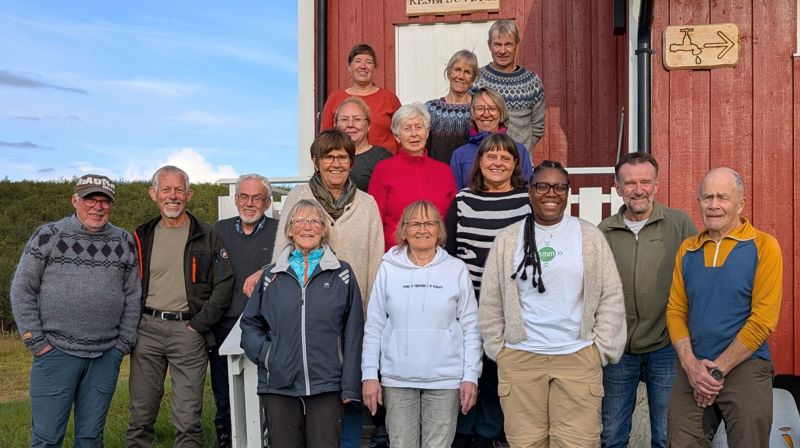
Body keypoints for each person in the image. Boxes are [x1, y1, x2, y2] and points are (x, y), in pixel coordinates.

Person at [243, 129, 383, 447]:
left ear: (351, 161)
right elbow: (281, 255)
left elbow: (376, 262)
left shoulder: (367, 204)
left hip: (348, 326)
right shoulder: (299, 197)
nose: (336, 163)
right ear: (316, 162)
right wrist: (268, 354)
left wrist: (372, 321)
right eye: (328, 156)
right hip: (293, 341)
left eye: (342, 157)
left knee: (340, 421)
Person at [479, 160, 625, 447]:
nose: (551, 193)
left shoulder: (588, 236)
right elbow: (491, 300)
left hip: (577, 357)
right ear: (530, 191)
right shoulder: (509, 239)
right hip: (521, 358)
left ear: (567, 192)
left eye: (559, 187)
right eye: (542, 186)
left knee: (578, 443)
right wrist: (499, 349)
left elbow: (610, 295)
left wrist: (600, 350)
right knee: (525, 443)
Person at [11, 174, 140, 447]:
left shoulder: (123, 241)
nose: (98, 207)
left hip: (105, 356)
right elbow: (22, 289)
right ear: (75, 200)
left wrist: (122, 345)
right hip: (55, 353)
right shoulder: (48, 236)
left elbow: (132, 295)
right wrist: (36, 341)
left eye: (105, 201)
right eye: (90, 199)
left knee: (91, 437)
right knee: (46, 438)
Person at [666, 167, 783, 448]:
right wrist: (692, 366)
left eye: (722, 197)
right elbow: (675, 311)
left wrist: (717, 371)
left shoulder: (764, 246)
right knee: (680, 441)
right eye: (707, 197)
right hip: (694, 366)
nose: (714, 205)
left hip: (746, 364)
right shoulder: (688, 249)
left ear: (740, 204)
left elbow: (763, 320)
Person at [240, 199, 364, 448]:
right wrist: (268, 356)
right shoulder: (271, 275)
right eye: (300, 221)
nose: (307, 227)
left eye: (314, 221)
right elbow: (250, 325)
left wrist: (350, 385)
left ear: (323, 230)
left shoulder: (342, 274)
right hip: (279, 385)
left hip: (326, 384)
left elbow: (354, 332)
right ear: (289, 229)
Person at [127, 165, 234, 447]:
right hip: (146, 332)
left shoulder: (206, 235)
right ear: (153, 194)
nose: (172, 196)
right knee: (140, 418)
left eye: (179, 190)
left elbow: (225, 283)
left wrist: (198, 324)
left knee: (187, 421)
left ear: (189, 194)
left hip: (187, 332)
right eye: (166, 190)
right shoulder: (141, 236)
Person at [362, 200, 483, 448]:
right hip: (397, 379)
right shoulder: (388, 268)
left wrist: (471, 375)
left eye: (429, 223)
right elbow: (374, 325)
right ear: (403, 230)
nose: (422, 229)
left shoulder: (455, 269)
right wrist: (369, 375)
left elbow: (472, 327)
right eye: (415, 223)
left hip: (445, 380)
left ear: (439, 230)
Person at [597, 152, 697, 448]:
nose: (638, 190)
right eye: (630, 183)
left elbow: (695, 280)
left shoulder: (679, 224)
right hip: (619, 349)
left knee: (667, 434)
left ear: (657, 184)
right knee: (612, 434)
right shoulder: (604, 231)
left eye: (645, 182)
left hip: (666, 345)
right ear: (617, 186)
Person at [445, 133, 531, 448]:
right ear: (480, 162)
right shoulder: (463, 200)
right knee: (469, 366)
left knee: (499, 369)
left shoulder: (527, 202)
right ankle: (463, 431)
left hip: (512, 303)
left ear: (515, 164)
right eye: (490, 156)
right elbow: (450, 252)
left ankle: (489, 434)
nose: (497, 163)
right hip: (469, 301)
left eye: (505, 158)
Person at [211, 173, 279, 447]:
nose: (250, 203)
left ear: (267, 202)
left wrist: (264, 271)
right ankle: (227, 440)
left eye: (257, 198)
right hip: (225, 324)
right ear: (236, 199)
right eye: (244, 197)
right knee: (224, 394)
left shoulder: (279, 230)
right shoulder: (219, 230)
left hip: (268, 326)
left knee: (269, 392)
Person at [369, 103, 458, 251]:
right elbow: (375, 220)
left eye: (419, 127)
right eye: (407, 128)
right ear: (397, 136)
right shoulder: (384, 170)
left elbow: (452, 220)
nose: (414, 134)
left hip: (438, 255)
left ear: (427, 132)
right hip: (397, 256)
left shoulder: (444, 171)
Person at [472, 19, 545, 156]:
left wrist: (519, 151)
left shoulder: (532, 83)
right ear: (489, 46)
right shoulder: (476, 80)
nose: (502, 51)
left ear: (517, 44)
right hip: (484, 161)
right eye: (497, 45)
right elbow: (469, 121)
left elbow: (538, 128)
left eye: (508, 45)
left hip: (520, 163)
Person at [321, 43, 402, 153]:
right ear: (349, 67)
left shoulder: (389, 99)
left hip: (384, 165)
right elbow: (324, 139)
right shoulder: (335, 99)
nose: (363, 66)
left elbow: (402, 136)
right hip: (344, 165)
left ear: (374, 67)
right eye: (357, 61)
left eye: (368, 62)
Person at [450, 86, 533, 190]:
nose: (486, 114)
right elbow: (455, 195)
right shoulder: (460, 154)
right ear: (473, 113)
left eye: (492, 109)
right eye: (480, 109)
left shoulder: (518, 150)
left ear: (501, 113)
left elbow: (527, 190)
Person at [425, 49, 479, 164]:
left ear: (474, 78)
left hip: (469, 177)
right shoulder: (431, 109)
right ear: (449, 72)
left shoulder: (479, 109)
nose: (461, 76)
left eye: (467, 72)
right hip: (438, 177)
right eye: (457, 70)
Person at [335, 96, 393, 191]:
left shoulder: (382, 158)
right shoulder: (328, 157)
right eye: (344, 119)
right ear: (336, 125)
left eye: (357, 119)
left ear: (369, 125)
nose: (350, 125)